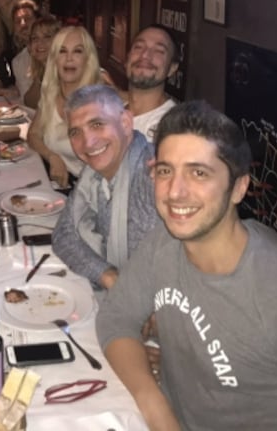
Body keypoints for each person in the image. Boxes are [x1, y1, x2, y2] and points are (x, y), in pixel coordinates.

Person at [96, 100, 277, 431]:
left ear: (239, 187)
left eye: (198, 173)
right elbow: (115, 317)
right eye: (166, 171)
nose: (175, 192)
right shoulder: (163, 244)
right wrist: (157, 409)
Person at [52, 85, 158, 290]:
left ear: (126, 123)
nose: (88, 142)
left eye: (97, 124)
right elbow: (63, 235)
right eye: (76, 132)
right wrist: (108, 276)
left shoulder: (152, 177)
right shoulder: (92, 174)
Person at [27, 26, 102, 188]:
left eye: (77, 51)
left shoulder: (98, 103)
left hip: (87, 193)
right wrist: (52, 157)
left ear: (88, 59)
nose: (69, 58)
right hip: (54, 184)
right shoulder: (51, 93)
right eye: (62, 51)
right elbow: (33, 134)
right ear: (54, 59)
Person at [126, 24, 180, 142]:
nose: (145, 55)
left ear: (172, 68)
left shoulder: (174, 128)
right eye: (139, 47)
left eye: (159, 51)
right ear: (128, 58)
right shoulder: (107, 109)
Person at [22, 15, 61, 109]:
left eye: (47, 37)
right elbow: (30, 102)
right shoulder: (42, 69)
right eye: (35, 38)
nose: (40, 43)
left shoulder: (66, 70)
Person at [10, 0, 40, 102]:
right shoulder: (18, 62)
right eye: (18, 21)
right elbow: (27, 101)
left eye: (27, 19)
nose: (23, 24)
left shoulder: (56, 52)